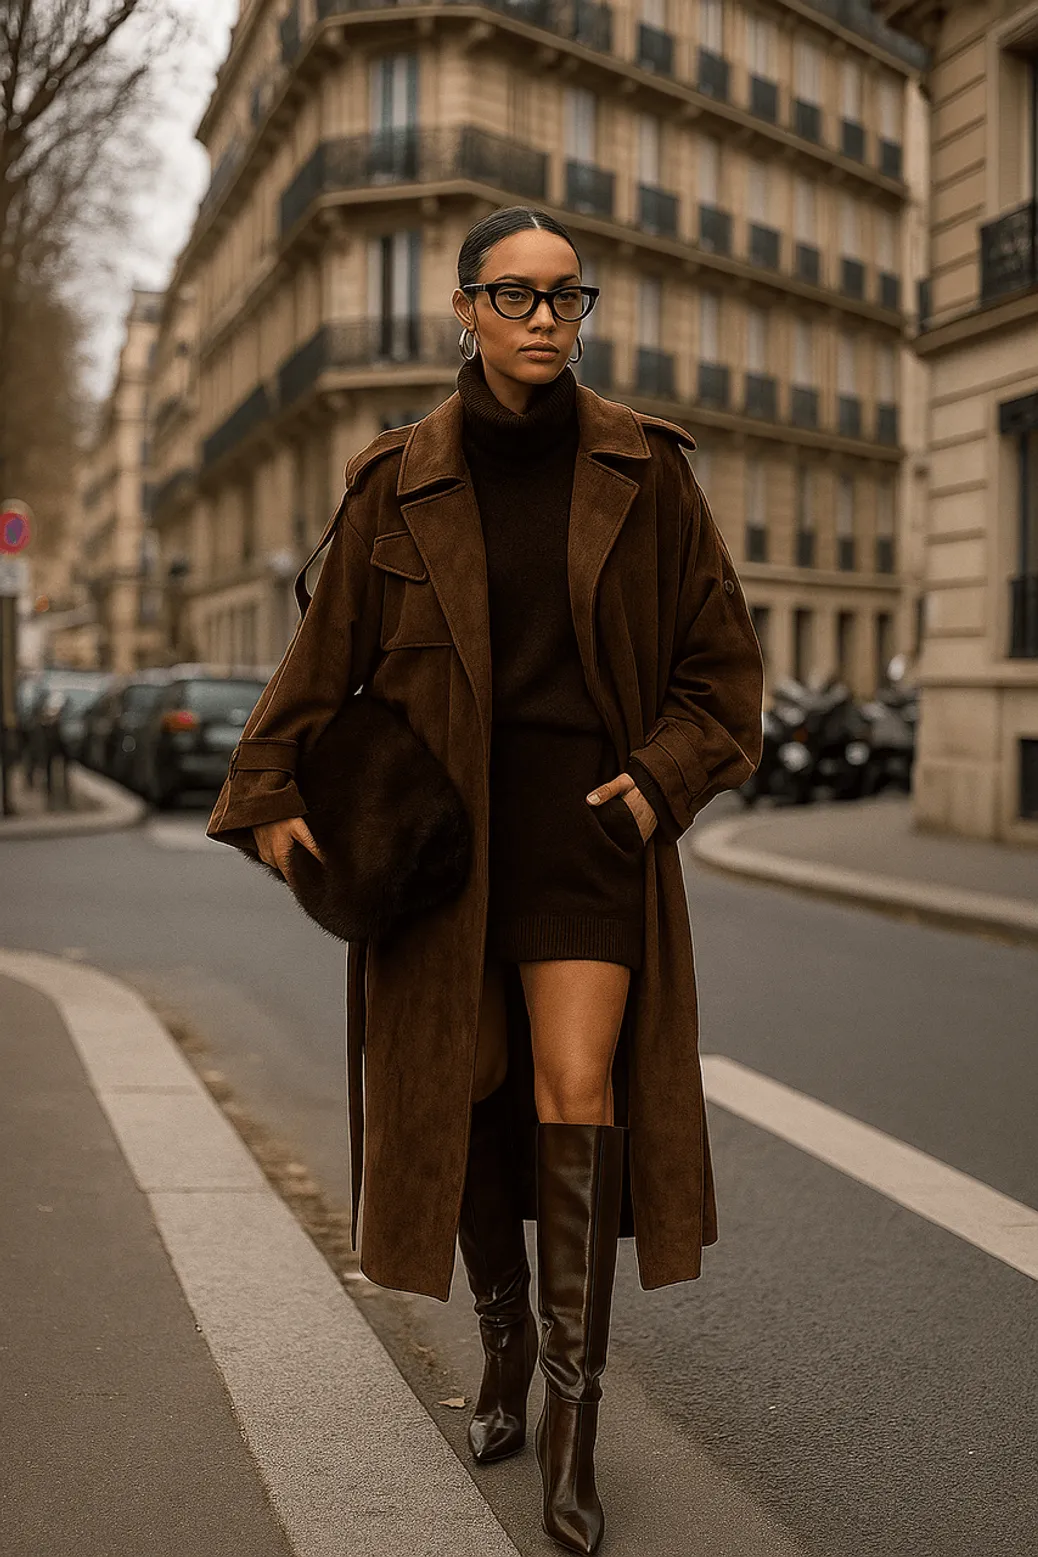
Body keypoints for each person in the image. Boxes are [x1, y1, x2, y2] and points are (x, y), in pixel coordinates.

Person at [206, 206, 764, 1556]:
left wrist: (650, 786)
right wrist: (275, 814)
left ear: (584, 313)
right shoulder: (396, 479)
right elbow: (315, 674)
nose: (540, 322)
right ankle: (504, 1346)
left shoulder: (646, 471)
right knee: (463, 1093)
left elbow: (722, 675)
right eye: (512, 299)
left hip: (584, 834)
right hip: (444, 848)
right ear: (461, 310)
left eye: (564, 299)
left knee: (578, 1094)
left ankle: (572, 1431)